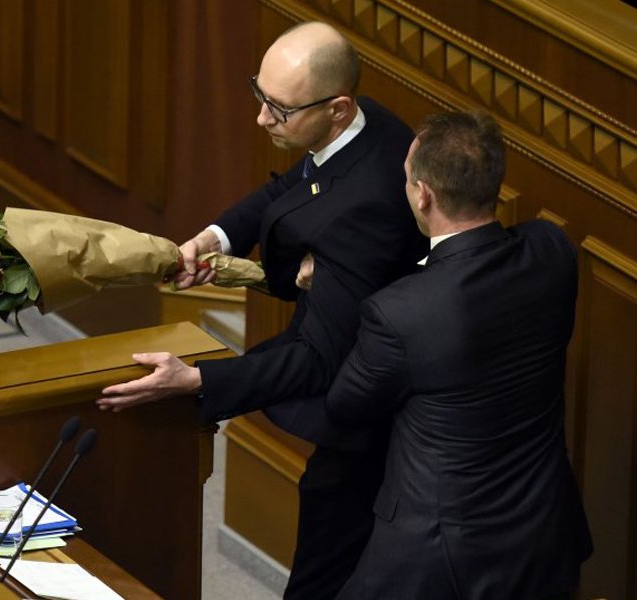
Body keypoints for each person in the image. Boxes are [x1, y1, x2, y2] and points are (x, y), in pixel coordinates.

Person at [98, 20, 426, 600]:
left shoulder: (366, 209)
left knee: (326, 563)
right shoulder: (361, 123)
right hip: (362, 373)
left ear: (338, 108)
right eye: (260, 95)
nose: (261, 118)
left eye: (279, 109)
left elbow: (319, 358)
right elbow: (289, 191)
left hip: (375, 421)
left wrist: (197, 380)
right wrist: (214, 238)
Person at [315, 110, 592, 598]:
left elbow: (345, 406)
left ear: (423, 194)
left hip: (436, 557)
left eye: (407, 178)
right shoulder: (552, 251)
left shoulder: (399, 312)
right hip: (542, 532)